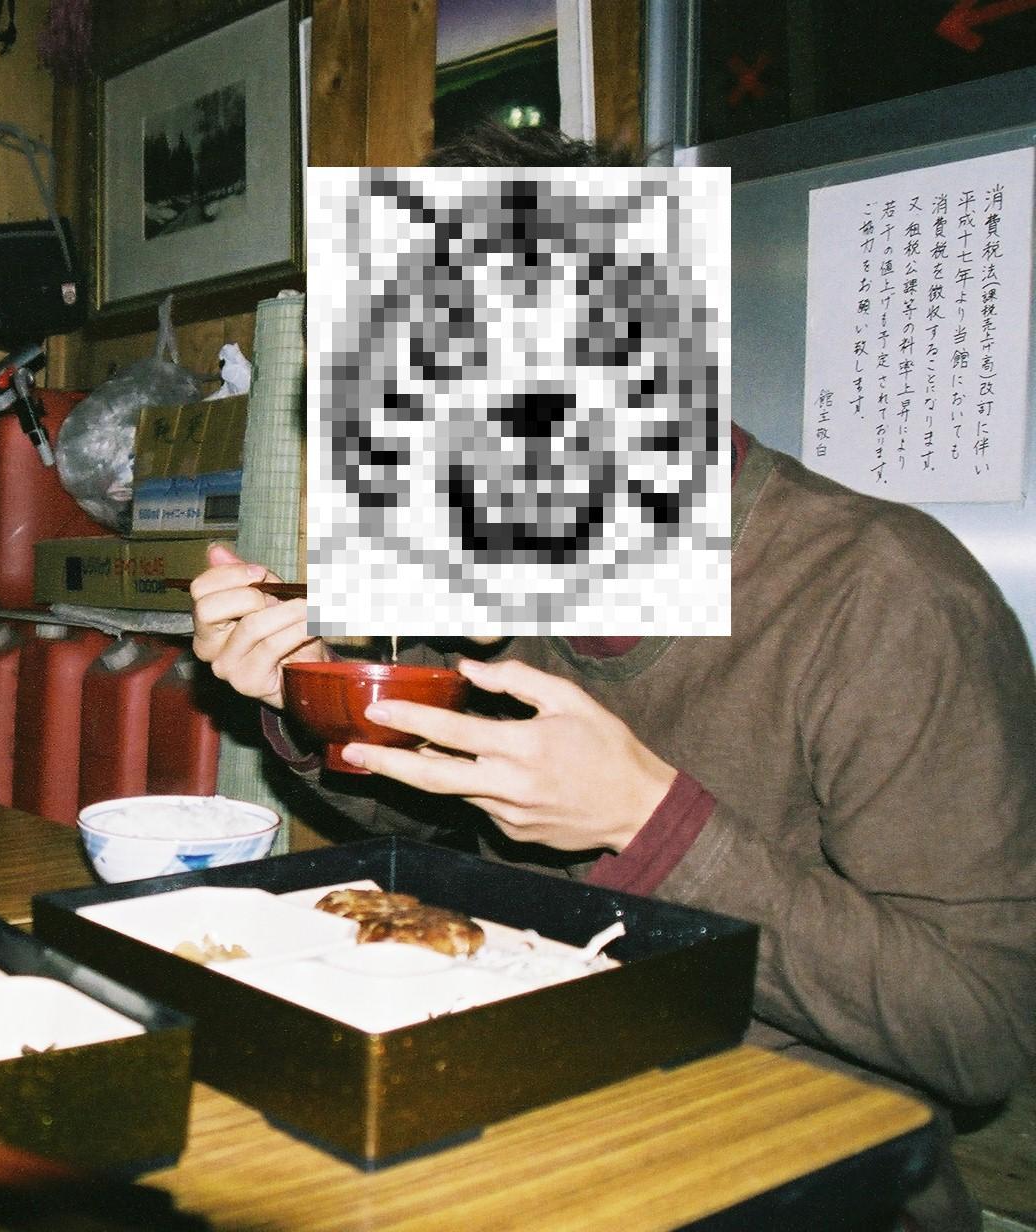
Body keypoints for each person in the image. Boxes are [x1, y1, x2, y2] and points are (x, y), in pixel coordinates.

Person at [190, 125, 1036, 1232]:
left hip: (795, 1176)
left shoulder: (884, 593)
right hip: (531, 1099)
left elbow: (982, 1031)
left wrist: (650, 824)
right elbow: (446, 817)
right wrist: (310, 698)